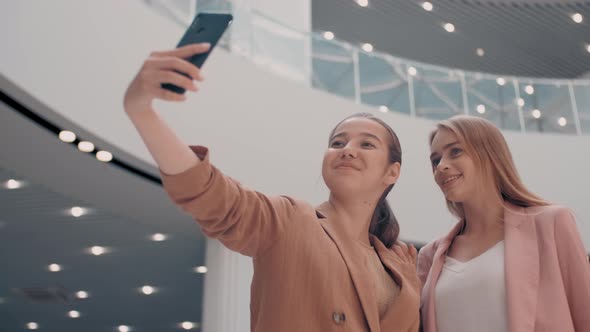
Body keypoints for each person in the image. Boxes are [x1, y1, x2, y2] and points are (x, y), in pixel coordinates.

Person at [123, 43, 420, 332]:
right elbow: (210, 194)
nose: (347, 150)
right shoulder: (289, 220)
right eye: (337, 143)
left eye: (366, 144)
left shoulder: (400, 264)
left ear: (392, 172)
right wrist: (141, 109)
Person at [417, 115, 590, 332]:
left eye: (455, 151)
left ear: (489, 154)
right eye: (435, 160)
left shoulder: (551, 223)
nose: (441, 166)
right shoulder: (429, 256)